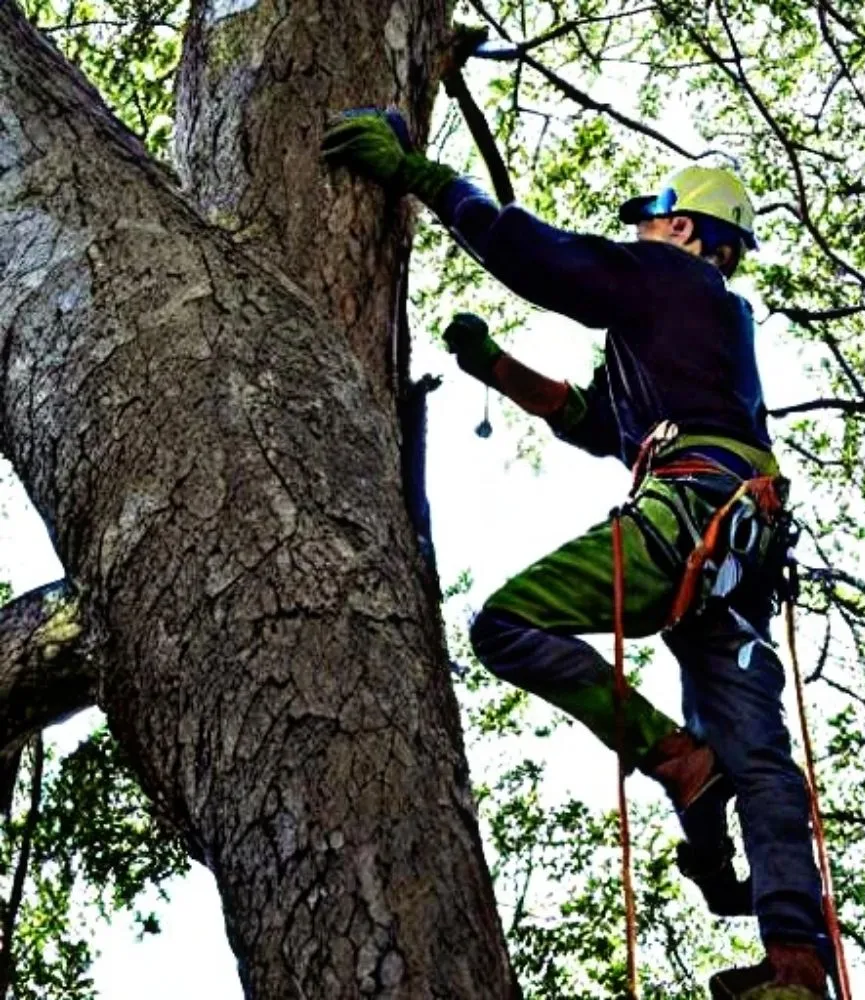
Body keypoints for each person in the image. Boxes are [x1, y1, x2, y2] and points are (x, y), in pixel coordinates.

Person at [323, 109, 831, 1000]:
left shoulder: (669, 277)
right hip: (737, 548)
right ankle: (797, 966)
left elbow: (542, 260)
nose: (640, 235)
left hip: (691, 514)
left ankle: (678, 762)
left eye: (652, 222)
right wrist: (497, 369)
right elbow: (599, 423)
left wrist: (421, 176)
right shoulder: (700, 328)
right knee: (760, 758)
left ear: (683, 229)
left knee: (508, 624)